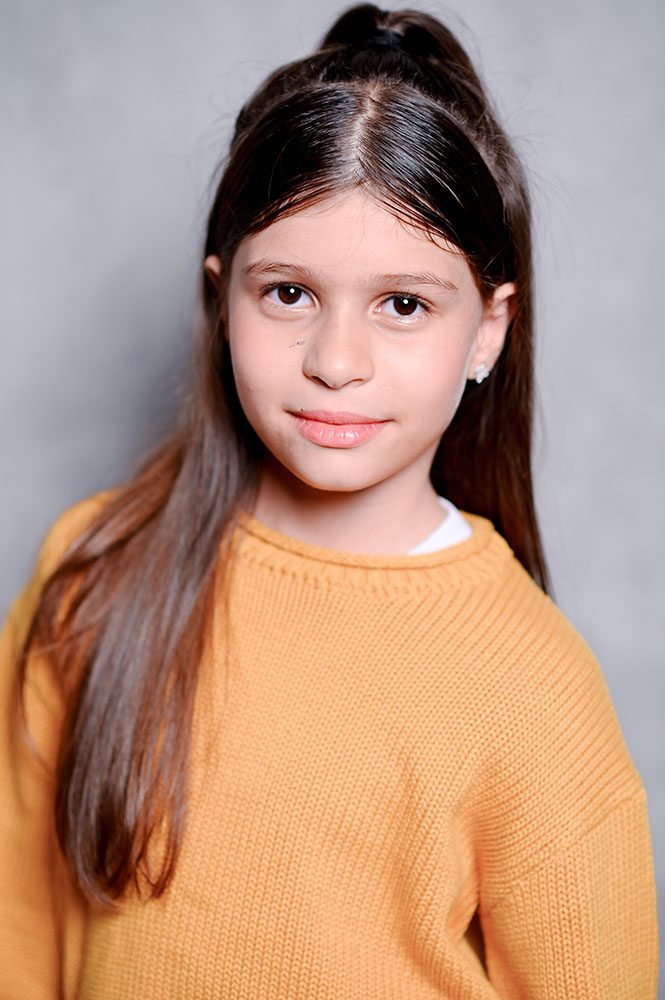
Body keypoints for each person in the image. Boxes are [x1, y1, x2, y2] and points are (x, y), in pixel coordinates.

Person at [0, 4, 658, 997]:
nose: (336, 362)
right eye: (288, 294)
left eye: (403, 304)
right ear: (221, 298)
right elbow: (19, 931)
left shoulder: (531, 686)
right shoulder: (94, 571)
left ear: (487, 329)